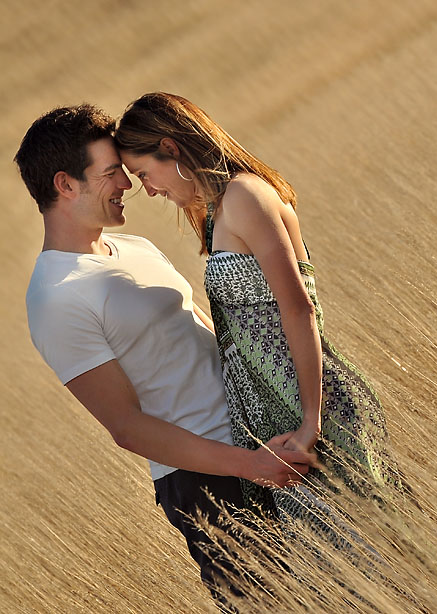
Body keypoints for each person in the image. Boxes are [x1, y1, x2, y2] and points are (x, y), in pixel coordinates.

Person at [16, 104, 320, 607]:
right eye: (112, 173)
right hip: (207, 483)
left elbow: (209, 333)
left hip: (267, 440)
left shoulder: (133, 247)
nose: (128, 185)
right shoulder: (56, 297)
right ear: (65, 185)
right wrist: (247, 466)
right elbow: (126, 427)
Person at [114, 92, 404, 528]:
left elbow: (299, 309)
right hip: (276, 415)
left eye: (144, 173)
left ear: (170, 147)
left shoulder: (245, 195)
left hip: (307, 408)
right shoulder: (216, 213)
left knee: (383, 546)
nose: (149, 189)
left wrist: (310, 420)